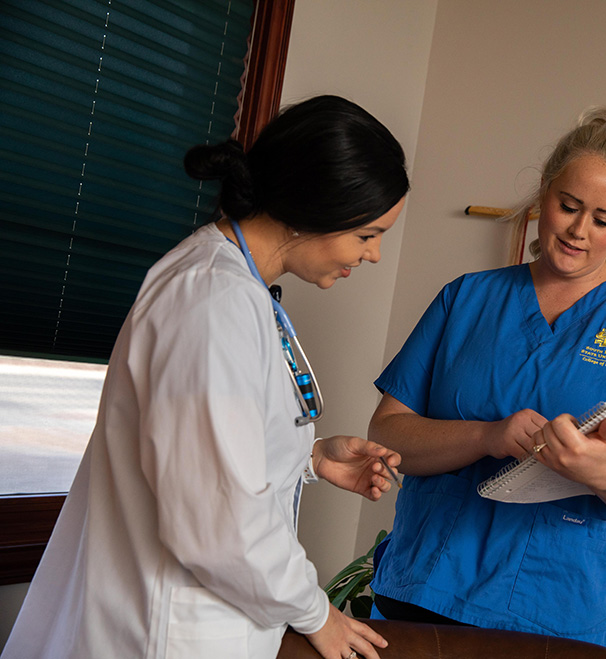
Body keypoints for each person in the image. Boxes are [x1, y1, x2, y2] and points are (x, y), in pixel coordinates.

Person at [2, 96, 408, 659]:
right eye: (367, 234)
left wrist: (308, 460)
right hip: (171, 633)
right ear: (311, 208)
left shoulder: (236, 288)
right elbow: (220, 523)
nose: (375, 255)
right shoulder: (212, 302)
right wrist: (317, 613)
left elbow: (204, 460)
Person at [365, 107, 606, 655]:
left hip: (561, 609)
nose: (578, 230)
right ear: (544, 193)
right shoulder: (465, 298)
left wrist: (604, 469)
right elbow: (388, 434)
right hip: (428, 587)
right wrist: (487, 436)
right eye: (568, 206)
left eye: (602, 219)